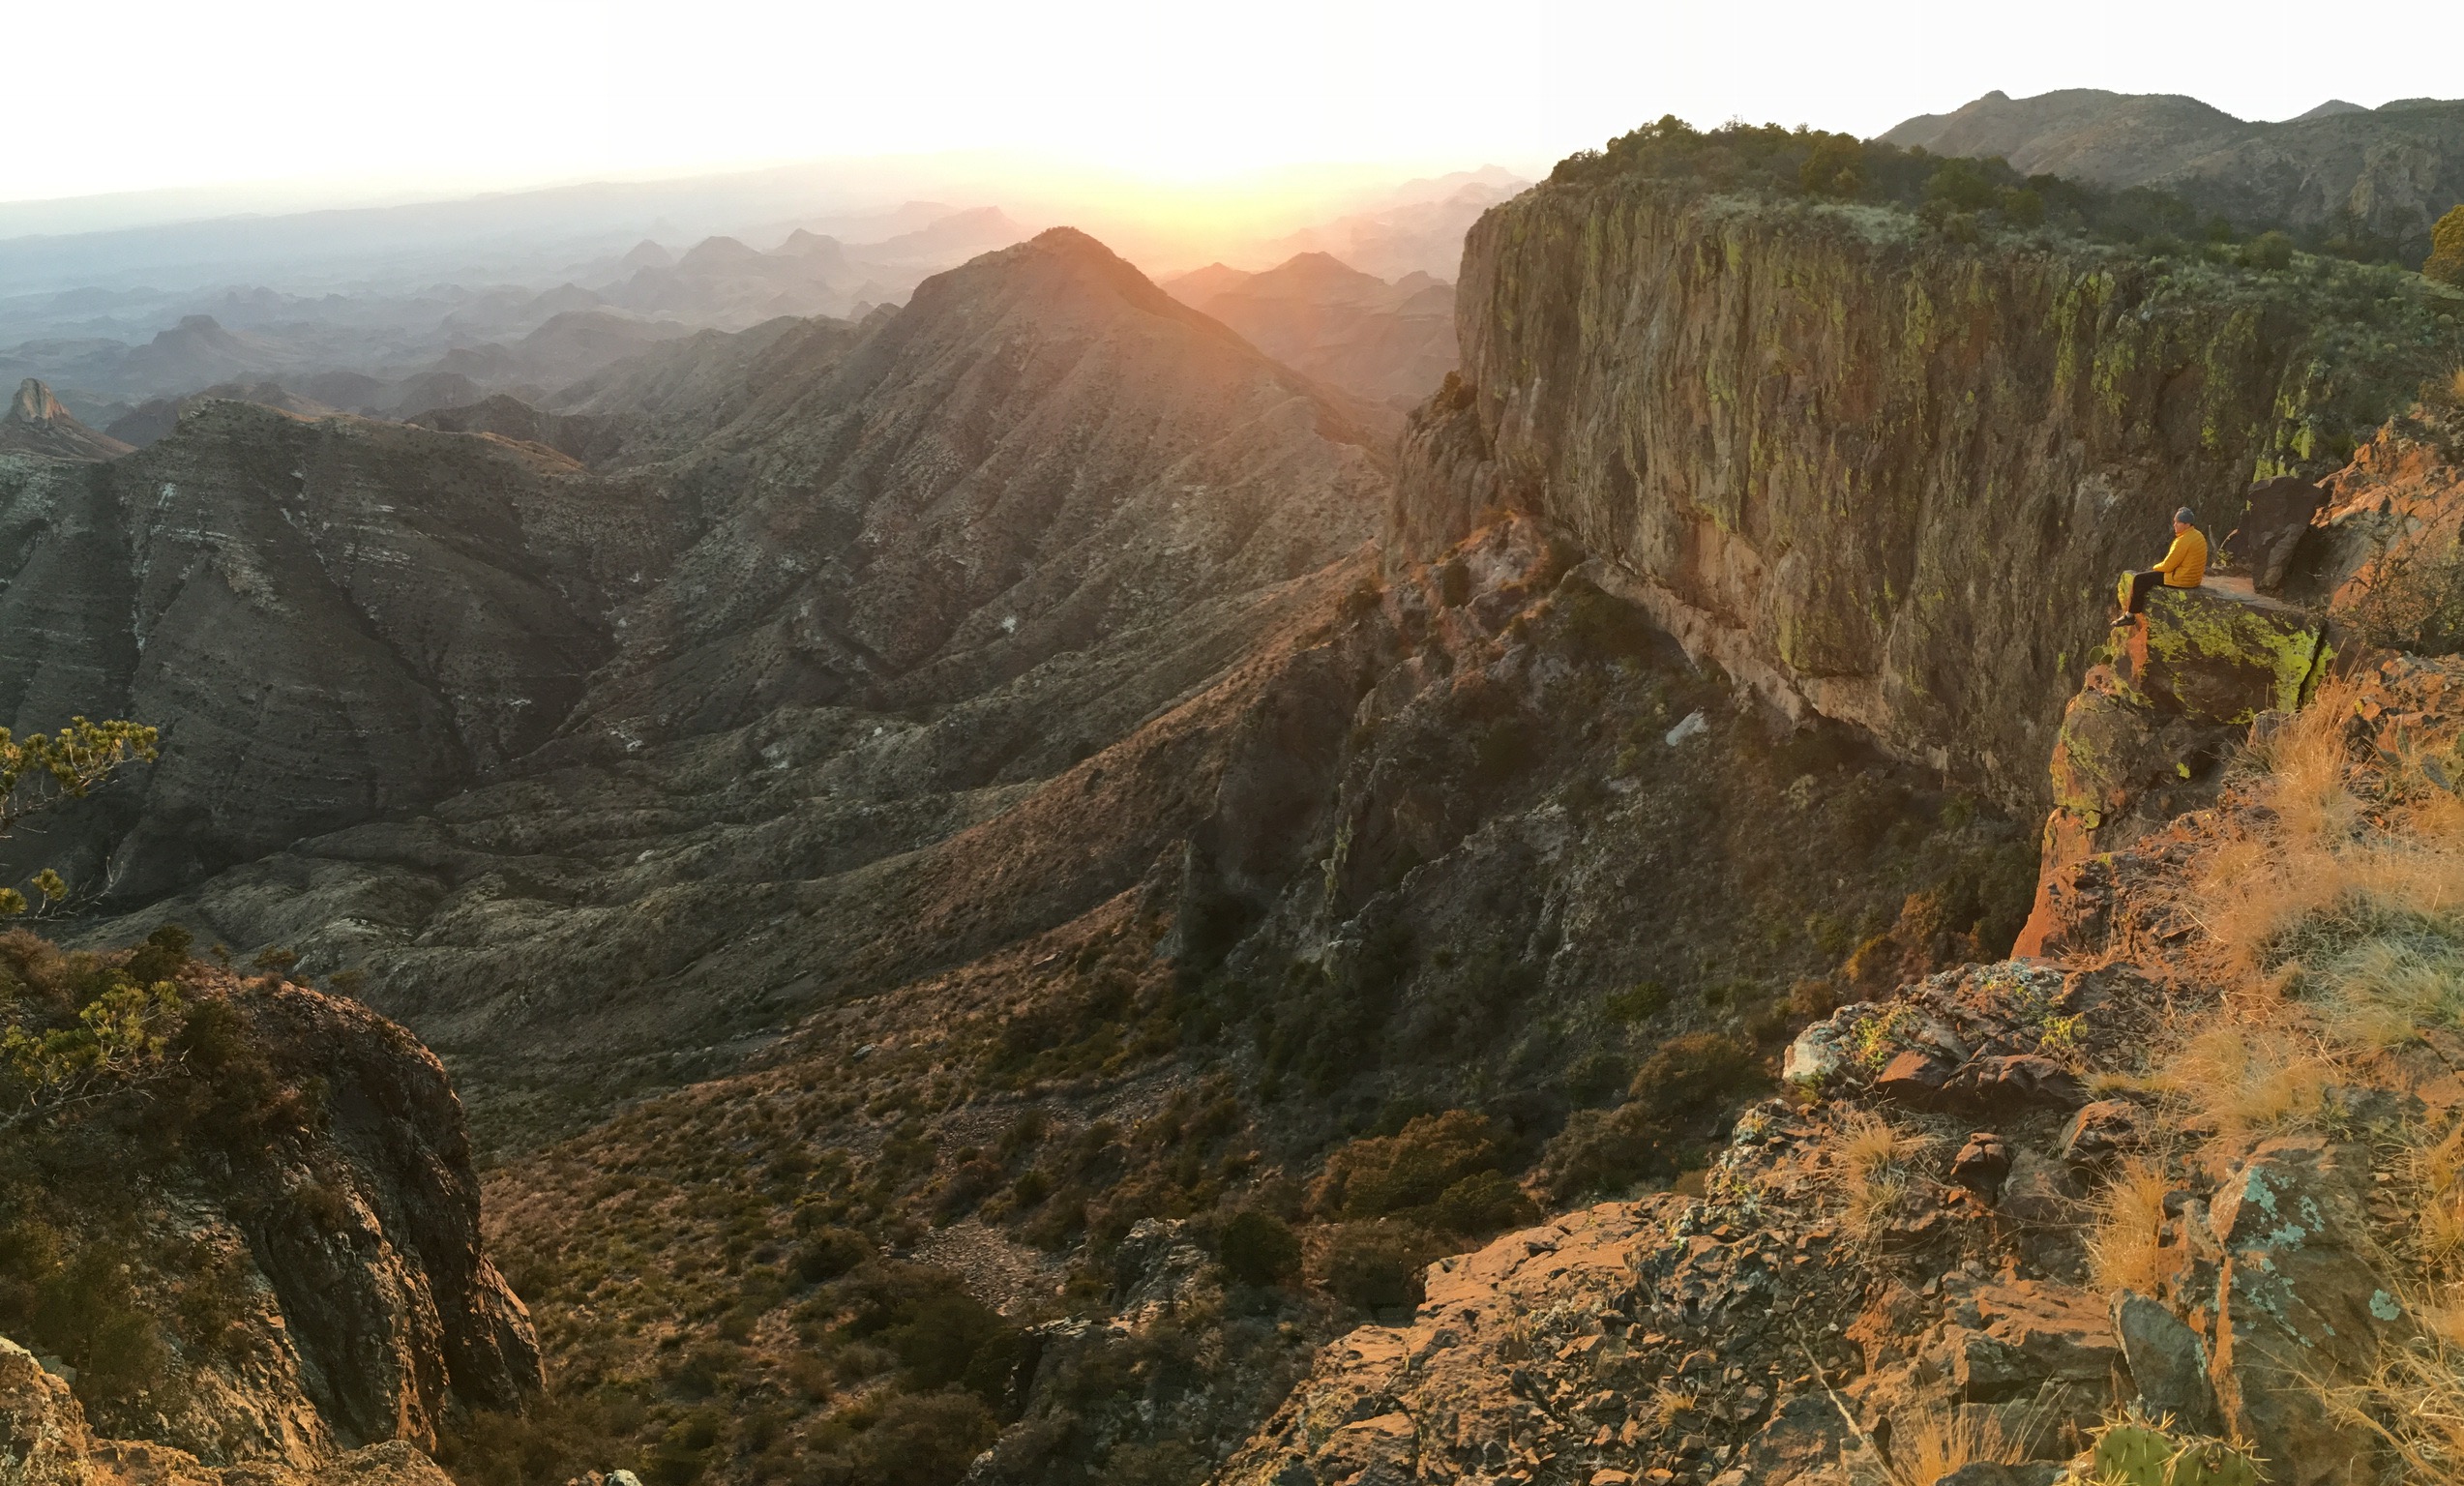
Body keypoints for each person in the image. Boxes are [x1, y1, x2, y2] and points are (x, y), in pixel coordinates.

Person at [2116, 507, 2208, 622]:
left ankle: (2130, 616)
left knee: (2140, 579)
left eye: (2178, 522)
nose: (2174, 525)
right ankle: (2130, 614)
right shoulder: (2197, 535)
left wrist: (2154, 568)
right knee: (2148, 576)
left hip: (2182, 579)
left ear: (2187, 524)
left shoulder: (2183, 541)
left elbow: (2168, 566)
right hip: (2194, 579)